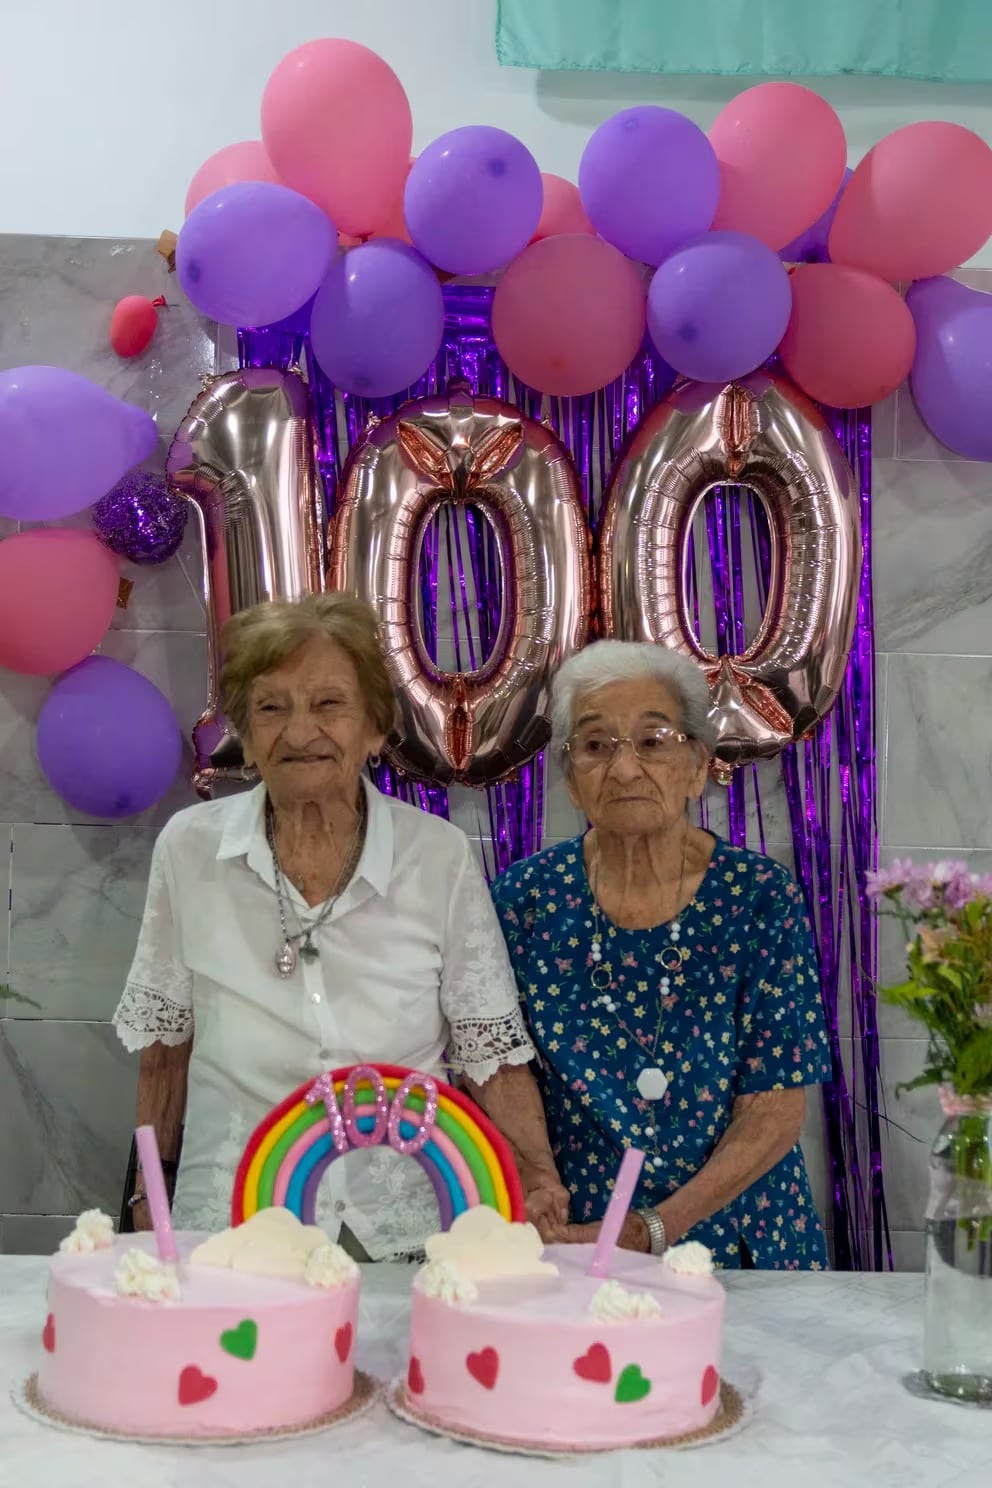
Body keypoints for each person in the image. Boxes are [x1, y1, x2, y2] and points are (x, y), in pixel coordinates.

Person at [113, 594, 567, 1260]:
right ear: (244, 725)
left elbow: (488, 1054)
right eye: (271, 707)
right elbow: (165, 1050)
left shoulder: (435, 855)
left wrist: (536, 1176)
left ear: (374, 729)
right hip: (236, 1219)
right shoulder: (189, 848)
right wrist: (145, 1200)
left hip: (404, 1221)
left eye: (329, 705)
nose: (299, 734)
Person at [491, 640, 832, 1269]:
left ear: (698, 765)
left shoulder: (758, 898)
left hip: (740, 1238)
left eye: (653, 741)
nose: (624, 770)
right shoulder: (525, 900)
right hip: (580, 1239)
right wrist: (536, 1178)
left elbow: (775, 1105)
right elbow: (496, 1063)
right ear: (570, 779)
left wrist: (656, 1228)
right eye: (595, 746)